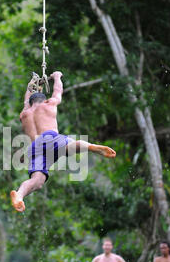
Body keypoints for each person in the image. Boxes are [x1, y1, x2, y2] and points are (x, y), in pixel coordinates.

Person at [10, 71, 116, 212]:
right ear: (44, 99)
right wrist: (57, 77)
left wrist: (31, 83)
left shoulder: (24, 114)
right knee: (70, 146)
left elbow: (25, 101)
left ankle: (20, 194)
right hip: (49, 136)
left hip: (34, 147)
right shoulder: (49, 104)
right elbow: (57, 91)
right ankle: (91, 147)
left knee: (38, 180)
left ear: (31, 103)